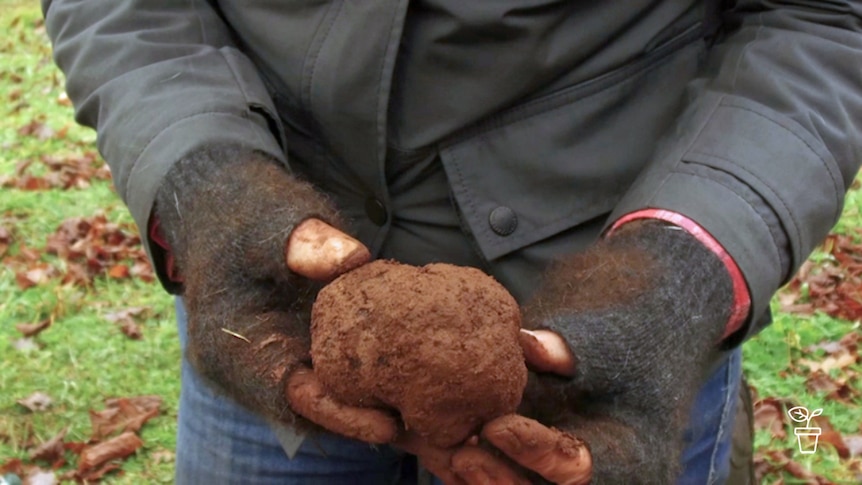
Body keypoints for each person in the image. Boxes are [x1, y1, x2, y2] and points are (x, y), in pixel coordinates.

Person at [42, 1, 861, 483]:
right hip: (274, 301)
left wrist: (689, 262)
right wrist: (201, 176)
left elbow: (824, 17)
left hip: (618, 341)